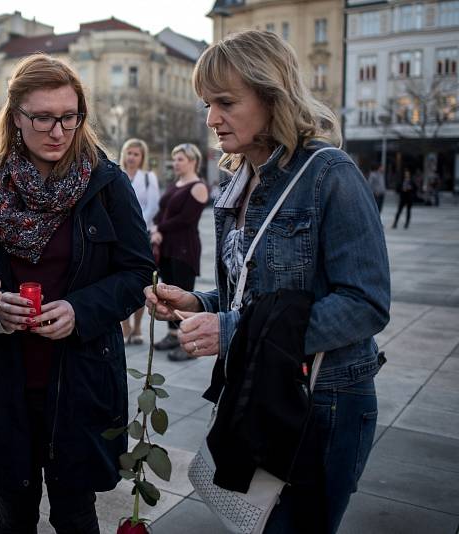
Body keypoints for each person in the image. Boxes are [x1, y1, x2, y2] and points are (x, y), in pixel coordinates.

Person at [145, 30, 390, 533]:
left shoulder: (329, 174)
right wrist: (196, 301)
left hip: (323, 398)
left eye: (226, 102)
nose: (211, 119)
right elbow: (252, 296)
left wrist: (234, 331)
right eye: (207, 104)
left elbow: (366, 303)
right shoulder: (239, 180)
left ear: (272, 95)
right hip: (262, 391)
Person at [0, 53, 153, 533]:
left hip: (81, 379)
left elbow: (137, 273)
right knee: (13, 515)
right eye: (42, 117)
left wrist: (80, 310)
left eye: (69, 116)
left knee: (75, 514)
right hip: (4, 378)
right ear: (15, 117)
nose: (58, 130)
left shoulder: (106, 184)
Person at [150, 143, 209, 361]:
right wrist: (156, 228)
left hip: (184, 248)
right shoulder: (177, 183)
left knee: (184, 295)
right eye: (174, 159)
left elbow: (185, 220)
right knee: (168, 295)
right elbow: (162, 212)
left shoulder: (198, 186)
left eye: (180, 159)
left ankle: (190, 345)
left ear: (193, 161)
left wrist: (159, 228)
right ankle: (174, 335)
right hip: (167, 246)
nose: (175, 163)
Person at [118, 138, 160, 345]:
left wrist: (132, 227)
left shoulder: (148, 177)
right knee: (118, 282)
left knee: (140, 283)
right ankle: (125, 327)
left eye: (136, 154)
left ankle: (137, 328)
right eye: (129, 153)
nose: (132, 157)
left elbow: (153, 207)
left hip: (140, 237)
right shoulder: (116, 175)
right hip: (117, 239)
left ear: (142, 157)